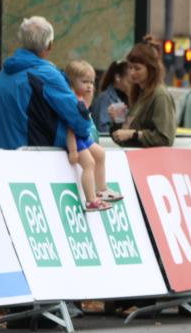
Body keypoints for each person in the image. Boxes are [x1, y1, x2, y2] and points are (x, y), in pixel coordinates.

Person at [0, 16, 92, 151]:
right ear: (49, 45)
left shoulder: (5, 72)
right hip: (31, 162)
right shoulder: (47, 75)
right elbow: (79, 120)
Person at [62, 60, 123, 211]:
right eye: (84, 81)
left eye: (92, 82)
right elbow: (70, 127)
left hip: (83, 136)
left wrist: (88, 95)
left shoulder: (81, 98)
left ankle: (101, 190)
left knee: (100, 154)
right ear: (71, 82)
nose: (89, 86)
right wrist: (74, 150)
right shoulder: (71, 101)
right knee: (89, 163)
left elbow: (86, 113)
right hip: (76, 139)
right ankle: (91, 200)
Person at [111, 41, 176, 147]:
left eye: (137, 68)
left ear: (151, 69)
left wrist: (134, 134)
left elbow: (165, 139)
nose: (132, 73)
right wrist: (119, 119)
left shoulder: (160, 95)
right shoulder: (139, 93)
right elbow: (127, 133)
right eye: (130, 67)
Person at [89, 60, 129, 134]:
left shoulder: (127, 98)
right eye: (129, 80)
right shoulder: (105, 99)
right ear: (117, 77)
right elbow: (103, 130)